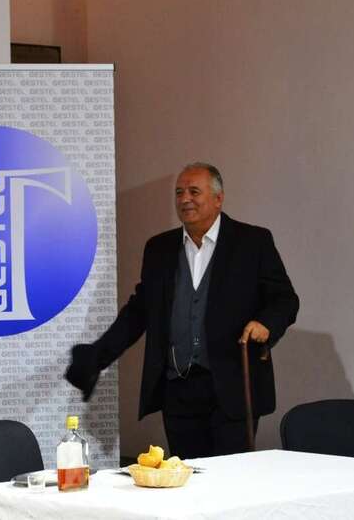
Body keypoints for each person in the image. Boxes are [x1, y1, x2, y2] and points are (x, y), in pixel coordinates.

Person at [65, 162, 299, 459]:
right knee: (188, 476)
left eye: (194, 191)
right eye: (179, 193)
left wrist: (266, 323)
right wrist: (98, 356)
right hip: (178, 391)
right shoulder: (159, 249)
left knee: (232, 478)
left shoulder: (252, 242)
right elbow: (138, 312)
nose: (185, 199)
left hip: (234, 387)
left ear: (218, 198)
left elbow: (285, 299)